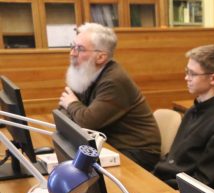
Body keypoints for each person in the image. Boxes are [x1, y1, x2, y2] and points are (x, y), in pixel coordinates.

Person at [58, 22, 161, 170]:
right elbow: (62, 113)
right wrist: (72, 106)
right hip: (109, 145)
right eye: (72, 46)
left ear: (101, 57)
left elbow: (86, 122)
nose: (72, 53)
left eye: (80, 49)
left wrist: (72, 104)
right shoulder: (87, 72)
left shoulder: (114, 81)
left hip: (136, 151)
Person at [153, 45, 214, 189]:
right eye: (187, 71)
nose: (186, 78)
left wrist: (160, 187)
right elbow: (174, 158)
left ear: (213, 79)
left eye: (192, 74)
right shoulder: (193, 110)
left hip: (178, 192)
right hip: (163, 181)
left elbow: (203, 181)